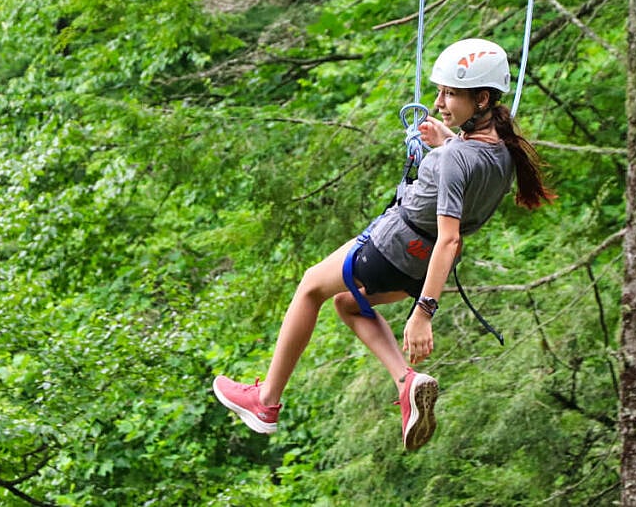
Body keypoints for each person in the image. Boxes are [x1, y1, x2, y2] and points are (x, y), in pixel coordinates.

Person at [213, 38, 554, 451]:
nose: (439, 101)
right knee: (348, 303)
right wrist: (447, 139)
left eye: (450, 93)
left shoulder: (452, 158)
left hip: (393, 248)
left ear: (481, 98)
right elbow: (466, 169)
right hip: (419, 266)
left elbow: (450, 236)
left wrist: (423, 313)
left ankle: (266, 401)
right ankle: (407, 382)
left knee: (309, 288)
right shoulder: (503, 150)